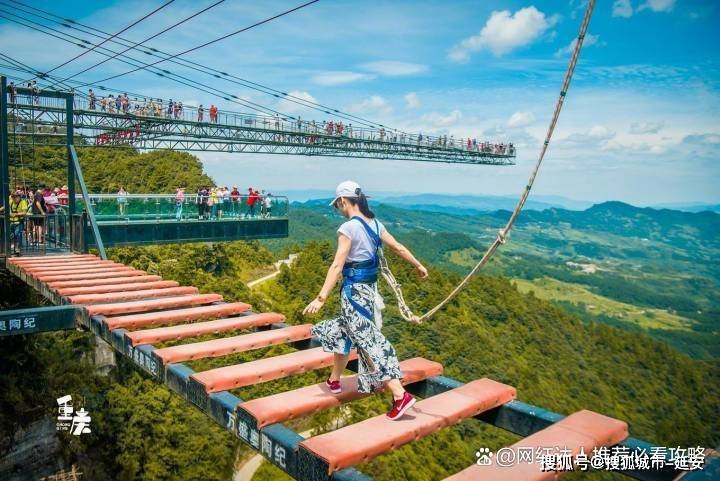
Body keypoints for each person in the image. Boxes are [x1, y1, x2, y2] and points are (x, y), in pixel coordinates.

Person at [302, 181, 428, 420]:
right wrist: (418, 265)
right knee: (345, 330)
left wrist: (321, 297)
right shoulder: (376, 224)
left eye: (337, 204)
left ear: (342, 201)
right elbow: (398, 248)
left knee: (366, 339)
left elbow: (338, 264)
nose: (338, 209)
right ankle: (334, 380)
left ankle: (400, 395)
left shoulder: (348, 228)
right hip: (369, 291)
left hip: (353, 292)